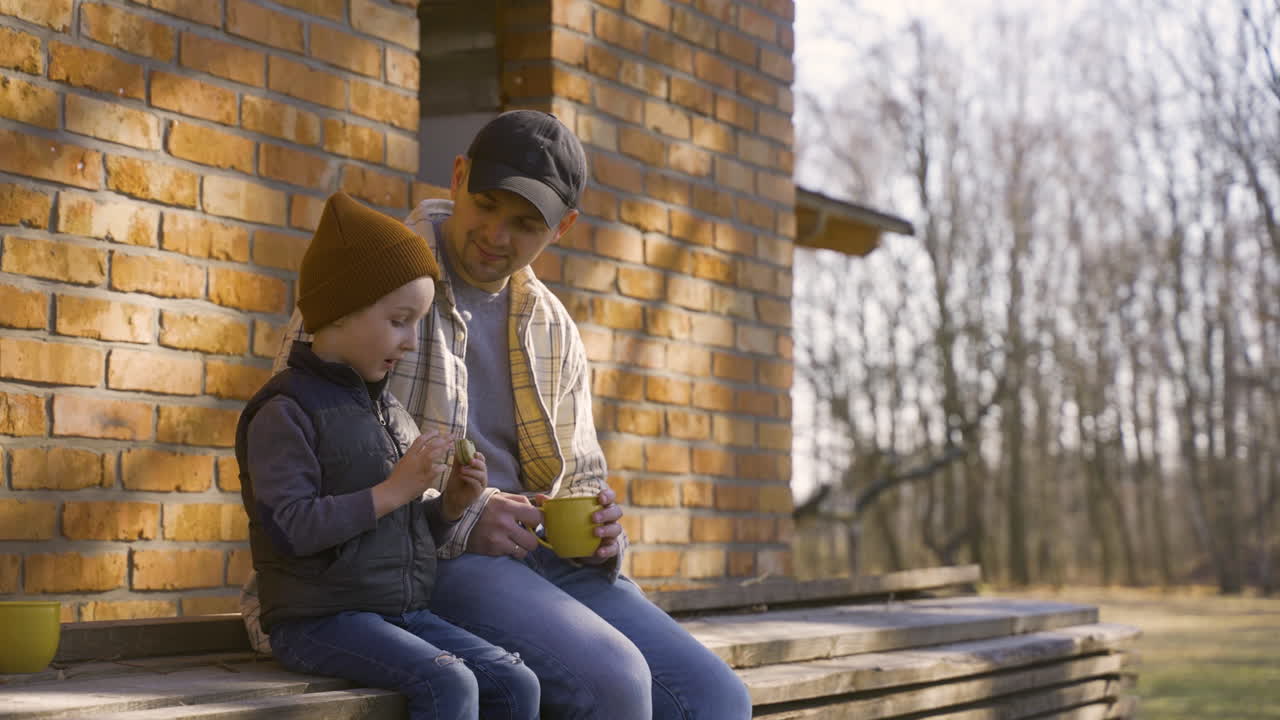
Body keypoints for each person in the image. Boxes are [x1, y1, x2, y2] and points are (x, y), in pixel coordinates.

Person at [250, 110, 752, 718]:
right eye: (486, 204)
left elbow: (582, 476)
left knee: (718, 698)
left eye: (524, 223)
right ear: (458, 177)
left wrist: (601, 533)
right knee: (614, 681)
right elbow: (304, 446)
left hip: (547, 560)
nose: (495, 234)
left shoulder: (552, 326)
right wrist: (463, 515)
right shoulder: (373, 281)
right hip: (430, 560)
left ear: (562, 227)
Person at [235, 191, 540, 720]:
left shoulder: (389, 410)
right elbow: (291, 526)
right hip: (315, 620)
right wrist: (395, 488)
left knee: (517, 681)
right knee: (451, 685)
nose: (411, 340)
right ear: (339, 312)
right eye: (400, 319)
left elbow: (398, 529)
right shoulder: (285, 411)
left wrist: (447, 506)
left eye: (419, 321)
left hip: (394, 612)